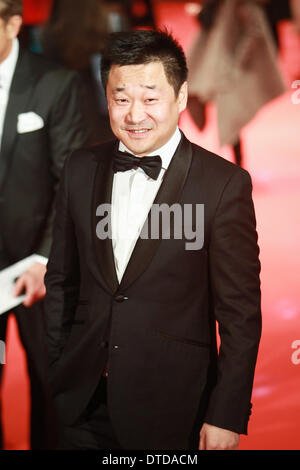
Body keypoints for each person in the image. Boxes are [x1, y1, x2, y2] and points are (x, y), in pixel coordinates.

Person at [44, 29, 262, 450]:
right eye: (121, 99)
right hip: (82, 403)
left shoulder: (222, 185)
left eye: (150, 98)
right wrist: (59, 365)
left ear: (180, 97)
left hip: (174, 407)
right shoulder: (80, 167)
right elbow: (62, 280)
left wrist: (226, 413)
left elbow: (240, 314)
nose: (134, 115)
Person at [0, 0, 89, 449]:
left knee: (52, 398)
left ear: (13, 23)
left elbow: (70, 183)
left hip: (38, 271)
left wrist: (43, 259)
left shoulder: (56, 85)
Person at [187, 0, 285, 167]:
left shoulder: (244, 6)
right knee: (186, 90)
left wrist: (237, 63)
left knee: (230, 112)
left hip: (231, 63)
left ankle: (238, 164)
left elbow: (254, 30)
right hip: (217, 56)